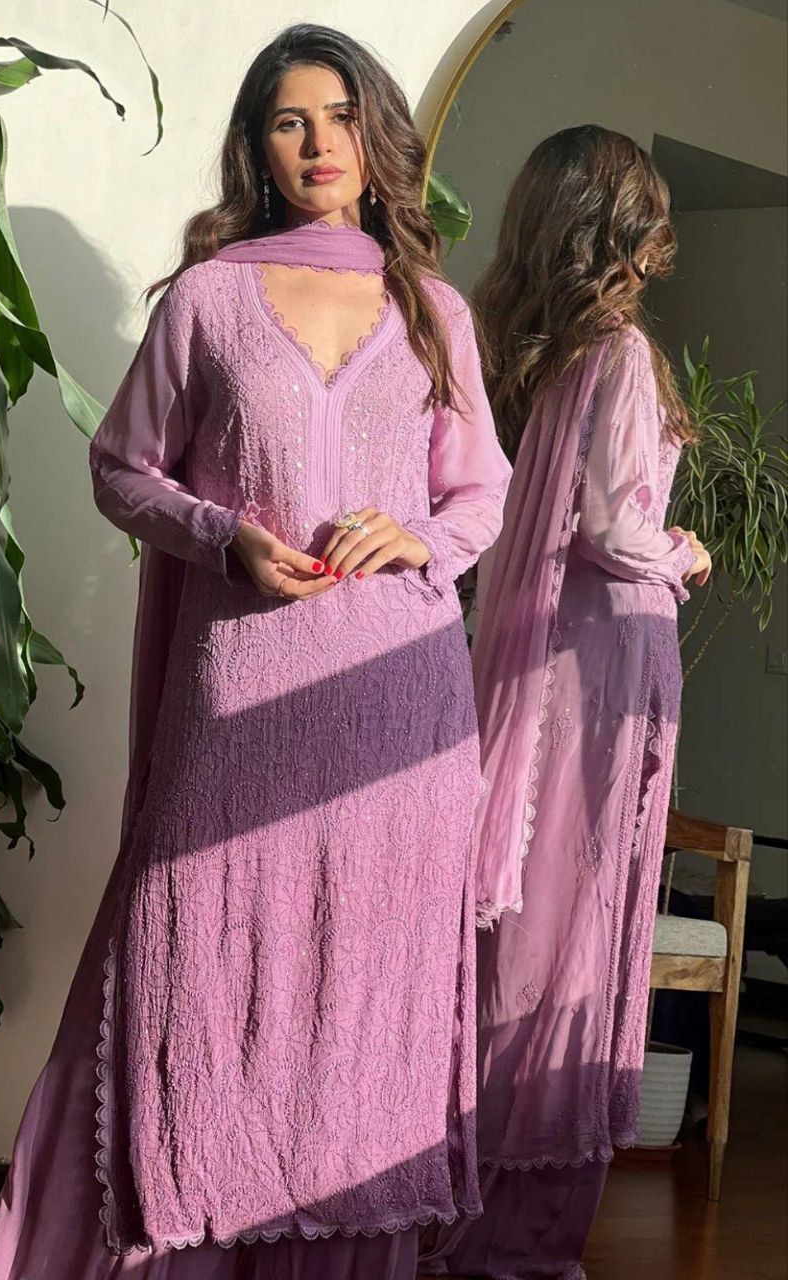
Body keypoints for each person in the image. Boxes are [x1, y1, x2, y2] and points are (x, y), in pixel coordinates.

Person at [0, 23, 512, 1280]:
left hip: (398, 708)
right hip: (244, 684)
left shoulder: (433, 311)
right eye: (288, 121)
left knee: (363, 994)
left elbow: (481, 494)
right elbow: (121, 467)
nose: (319, 144)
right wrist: (223, 535)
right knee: (200, 966)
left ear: (376, 134)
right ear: (258, 146)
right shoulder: (209, 298)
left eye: (340, 116)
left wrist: (417, 535)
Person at [417, 125, 711, 1280]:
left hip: (545, 671)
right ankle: (522, 1240)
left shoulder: (522, 355)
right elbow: (612, 526)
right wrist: (682, 551)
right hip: (602, 669)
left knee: (524, 937)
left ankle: (466, 1215)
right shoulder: (618, 353)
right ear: (623, 230)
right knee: (574, 940)